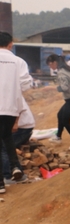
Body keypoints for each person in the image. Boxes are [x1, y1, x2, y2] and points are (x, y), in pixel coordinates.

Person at [0, 31, 31, 191]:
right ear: (10, 45)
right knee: (7, 137)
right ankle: (15, 167)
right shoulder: (18, 61)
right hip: (11, 109)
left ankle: (1, 183)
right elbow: (26, 85)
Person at [47, 55, 70, 150]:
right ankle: (58, 137)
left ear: (54, 62)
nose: (50, 67)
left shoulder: (61, 72)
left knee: (66, 121)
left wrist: (51, 88)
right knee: (60, 115)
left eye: (50, 64)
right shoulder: (68, 68)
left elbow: (64, 87)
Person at [1, 97, 33, 184]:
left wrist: (15, 123)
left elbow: (18, 108)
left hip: (22, 128)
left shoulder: (8, 94)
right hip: (20, 127)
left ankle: (7, 176)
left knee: (4, 148)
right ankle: (18, 174)